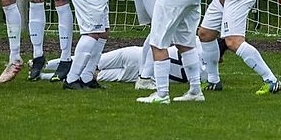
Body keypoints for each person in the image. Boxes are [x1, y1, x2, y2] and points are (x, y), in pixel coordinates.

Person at [38, 44, 197, 84]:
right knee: (97, 75)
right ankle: (44, 76)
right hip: (139, 75)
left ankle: (42, 65)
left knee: (93, 62)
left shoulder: (195, 44)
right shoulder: (199, 74)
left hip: (136, 55)